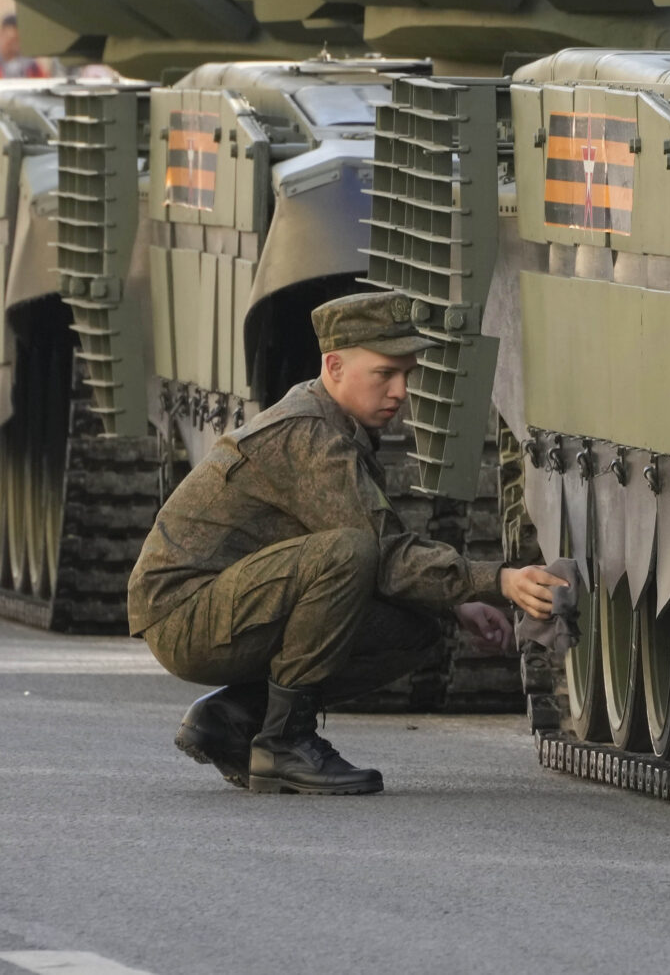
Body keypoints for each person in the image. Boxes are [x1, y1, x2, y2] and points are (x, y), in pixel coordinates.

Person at [126, 291, 566, 794]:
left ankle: (234, 718)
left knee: (416, 625)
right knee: (351, 553)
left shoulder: (332, 425)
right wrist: (497, 581)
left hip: (220, 604)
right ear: (334, 366)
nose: (400, 391)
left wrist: (458, 602)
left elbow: (386, 546)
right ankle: (284, 743)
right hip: (184, 613)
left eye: (406, 373)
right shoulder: (309, 435)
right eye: (384, 374)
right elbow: (381, 550)